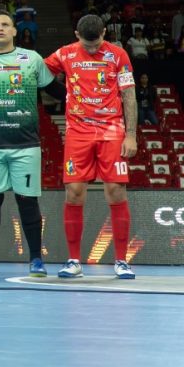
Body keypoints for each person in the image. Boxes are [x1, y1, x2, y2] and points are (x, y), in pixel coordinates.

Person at [44, 15, 137, 279]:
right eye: (88, 44)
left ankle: (121, 261)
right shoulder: (64, 54)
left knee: (116, 191)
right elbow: (36, 72)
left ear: (105, 33)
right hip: (78, 133)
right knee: (73, 193)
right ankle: (74, 261)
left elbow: (129, 96)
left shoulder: (119, 56)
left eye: (97, 43)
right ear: (76, 34)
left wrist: (131, 135)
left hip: (112, 131)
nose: (94, 49)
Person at [0, 13, 56, 276]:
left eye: (5, 25)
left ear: (15, 31)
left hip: (26, 144)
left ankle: (36, 259)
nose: (0, 28)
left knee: (28, 201)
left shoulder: (32, 59)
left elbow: (55, 89)